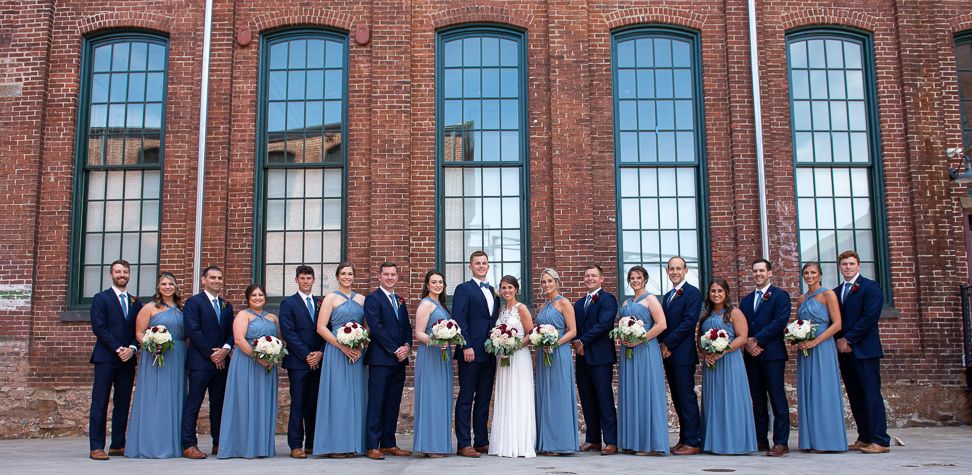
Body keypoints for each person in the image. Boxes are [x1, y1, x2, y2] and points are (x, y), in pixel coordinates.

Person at [125, 272, 186, 459]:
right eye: (164, 284)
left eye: (171, 284)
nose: (168, 287)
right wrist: (152, 345)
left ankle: (174, 444)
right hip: (156, 356)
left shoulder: (182, 308)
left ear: (176, 287)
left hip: (178, 356)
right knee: (155, 398)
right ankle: (152, 445)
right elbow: (139, 333)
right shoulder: (149, 308)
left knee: (175, 398)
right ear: (158, 288)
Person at [834, 250, 889, 454]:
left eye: (851, 264)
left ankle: (881, 440)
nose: (847, 267)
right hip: (845, 353)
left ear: (858, 266)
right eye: (844, 264)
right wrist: (838, 342)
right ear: (839, 267)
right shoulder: (837, 290)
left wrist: (847, 339)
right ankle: (864, 437)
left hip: (865, 351)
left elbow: (869, 318)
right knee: (855, 396)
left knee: (871, 394)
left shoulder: (870, 287)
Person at [217, 284, 282, 459]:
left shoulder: (273, 318)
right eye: (254, 295)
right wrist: (257, 357)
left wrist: (272, 354)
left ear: (265, 297)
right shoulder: (243, 315)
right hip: (247, 362)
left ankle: (261, 446)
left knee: (263, 402)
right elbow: (238, 340)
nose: (257, 298)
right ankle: (242, 446)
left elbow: (280, 341)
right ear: (248, 298)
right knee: (245, 401)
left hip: (267, 365)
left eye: (260, 295)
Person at [88, 259, 142, 460]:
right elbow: (99, 327)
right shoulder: (100, 298)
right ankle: (96, 446)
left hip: (128, 359)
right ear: (111, 275)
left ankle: (118, 444)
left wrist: (132, 348)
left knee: (122, 401)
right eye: (118, 272)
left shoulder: (136, 302)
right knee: (100, 402)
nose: (122, 275)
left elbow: (139, 329)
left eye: (125, 272)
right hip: (106, 357)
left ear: (129, 275)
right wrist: (119, 348)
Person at [314, 262, 368, 458]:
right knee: (337, 397)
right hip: (336, 352)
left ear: (354, 277)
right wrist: (341, 346)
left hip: (356, 353)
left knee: (355, 397)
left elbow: (366, 328)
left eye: (350, 274)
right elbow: (321, 327)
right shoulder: (330, 298)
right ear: (337, 276)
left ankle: (352, 443)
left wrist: (360, 345)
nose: (347, 277)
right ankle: (336, 445)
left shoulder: (362, 299)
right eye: (343, 273)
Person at [699, 277, 757, 455]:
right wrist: (706, 353)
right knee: (714, 401)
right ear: (709, 294)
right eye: (713, 291)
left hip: (729, 361)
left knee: (731, 400)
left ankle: (735, 443)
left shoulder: (734, 313)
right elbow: (700, 341)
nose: (716, 294)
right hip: (711, 364)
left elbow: (742, 337)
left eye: (720, 291)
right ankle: (714, 443)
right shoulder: (705, 315)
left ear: (726, 293)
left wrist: (723, 350)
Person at [740, 259, 792, 456]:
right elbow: (742, 324)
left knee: (777, 398)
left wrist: (757, 340)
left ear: (770, 273)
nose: (758, 274)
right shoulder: (746, 300)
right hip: (752, 356)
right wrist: (747, 343)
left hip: (772, 355)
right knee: (758, 398)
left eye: (762, 270)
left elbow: (780, 321)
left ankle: (780, 441)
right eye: (755, 271)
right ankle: (760, 439)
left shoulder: (781, 296)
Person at [181, 266, 234, 459]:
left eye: (220, 278)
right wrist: (212, 354)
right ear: (203, 280)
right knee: (193, 404)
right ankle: (189, 444)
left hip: (222, 364)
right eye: (212, 278)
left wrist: (225, 350)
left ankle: (218, 443)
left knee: (219, 405)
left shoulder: (226, 305)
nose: (217, 281)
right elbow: (193, 330)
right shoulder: (193, 302)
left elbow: (231, 331)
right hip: (200, 362)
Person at [451, 251, 500, 457]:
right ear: (470, 267)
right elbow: (459, 318)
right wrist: (466, 345)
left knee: (484, 398)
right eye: (477, 263)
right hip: (470, 353)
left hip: (489, 353)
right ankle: (463, 443)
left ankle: (481, 440)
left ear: (488, 266)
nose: (481, 266)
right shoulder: (463, 289)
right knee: (465, 398)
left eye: (484, 263)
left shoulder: (494, 292)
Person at [795, 261, 847, 452]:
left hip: (822, 347)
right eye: (806, 273)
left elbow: (837, 324)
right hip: (805, 350)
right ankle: (811, 440)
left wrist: (815, 342)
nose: (809, 276)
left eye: (813, 273)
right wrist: (797, 338)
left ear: (820, 275)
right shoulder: (801, 299)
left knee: (823, 391)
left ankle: (828, 441)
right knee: (808, 391)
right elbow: (798, 324)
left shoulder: (828, 294)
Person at [363, 262, 413, 460]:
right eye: (386, 274)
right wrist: (395, 349)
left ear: (397, 277)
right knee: (376, 403)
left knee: (393, 403)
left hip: (399, 360)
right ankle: (372, 446)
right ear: (379, 276)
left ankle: (389, 443)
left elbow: (407, 327)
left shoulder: (400, 300)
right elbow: (376, 328)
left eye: (393, 274)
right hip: (380, 360)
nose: (390, 277)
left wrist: (407, 346)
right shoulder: (372, 299)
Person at [616, 265, 668, 455]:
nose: (635, 281)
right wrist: (623, 336)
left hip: (646, 350)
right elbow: (621, 325)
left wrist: (640, 338)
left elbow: (662, 324)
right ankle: (633, 441)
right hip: (628, 350)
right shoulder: (626, 302)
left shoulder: (651, 299)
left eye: (638, 277)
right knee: (631, 392)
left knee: (647, 391)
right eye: (632, 278)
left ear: (645, 279)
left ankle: (650, 444)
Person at [571, 265, 619, 455]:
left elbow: (604, 324)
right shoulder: (579, 303)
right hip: (582, 359)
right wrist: (576, 342)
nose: (589, 278)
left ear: (601, 279)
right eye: (587, 276)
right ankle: (593, 439)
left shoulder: (608, 299)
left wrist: (582, 342)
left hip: (600, 358)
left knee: (604, 399)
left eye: (593, 276)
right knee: (587, 400)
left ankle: (611, 441)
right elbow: (575, 327)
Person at [658, 256, 703, 455]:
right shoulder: (667, 296)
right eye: (671, 269)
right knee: (677, 398)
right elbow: (663, 323)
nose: (675, 272)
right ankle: (684, 438)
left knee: (686, 398)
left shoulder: (693, 293)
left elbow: (688, 323)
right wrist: (662, 344)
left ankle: (693, 441)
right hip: (669, 355)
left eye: (679, 268)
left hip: (683, 354)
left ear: (685, 271)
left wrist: (667, 344)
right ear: (667, 272)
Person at [488, 275, 536, 458]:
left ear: (516, 289)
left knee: (518, 395)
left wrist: (513, 347)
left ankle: (520, 444)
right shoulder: (500, 310)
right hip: (503, 359)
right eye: (503, 288)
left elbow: (531, 335)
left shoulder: (521, 308)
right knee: (505, 395)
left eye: (510, 287)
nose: (506, 291)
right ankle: (505, 443)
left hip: (518, 358)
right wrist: (500, 345)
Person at [279, 265, 324, 458]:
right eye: (302, 278)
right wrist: (307, 355)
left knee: (314, 404)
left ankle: (312, 443)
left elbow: (326, 329)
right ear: (296, 280)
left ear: (314, 280)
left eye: (309, 278)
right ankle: (295, 445)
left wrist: (320, 353)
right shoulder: (288, 304)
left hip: (319, 361)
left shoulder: (321, 303)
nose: (306, 281)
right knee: (298, 403)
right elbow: (288, 332)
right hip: (298, 362)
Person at [533, 268, 579, 455]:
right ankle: (547, 442)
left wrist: (555, 344)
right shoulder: (541, 308)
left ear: (557, 282)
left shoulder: (564, 303)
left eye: (550, 281)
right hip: (543, 355)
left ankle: (562, 443)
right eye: (544, 282)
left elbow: (573, 331)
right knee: (545, 396)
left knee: (559, 395)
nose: (547, 285)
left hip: (559, 353)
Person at [412, 270, 456, 457]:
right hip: (430, 355)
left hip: (443, 356)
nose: (438, 285)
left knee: (440, 398)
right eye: (434, 282)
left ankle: (431, 444)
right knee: (431, 397)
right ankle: (429, 446)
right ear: (427, 285)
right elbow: (419, 333)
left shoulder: (441, 305)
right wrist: (436, 341)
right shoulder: (426, 304)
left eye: (441, 282)